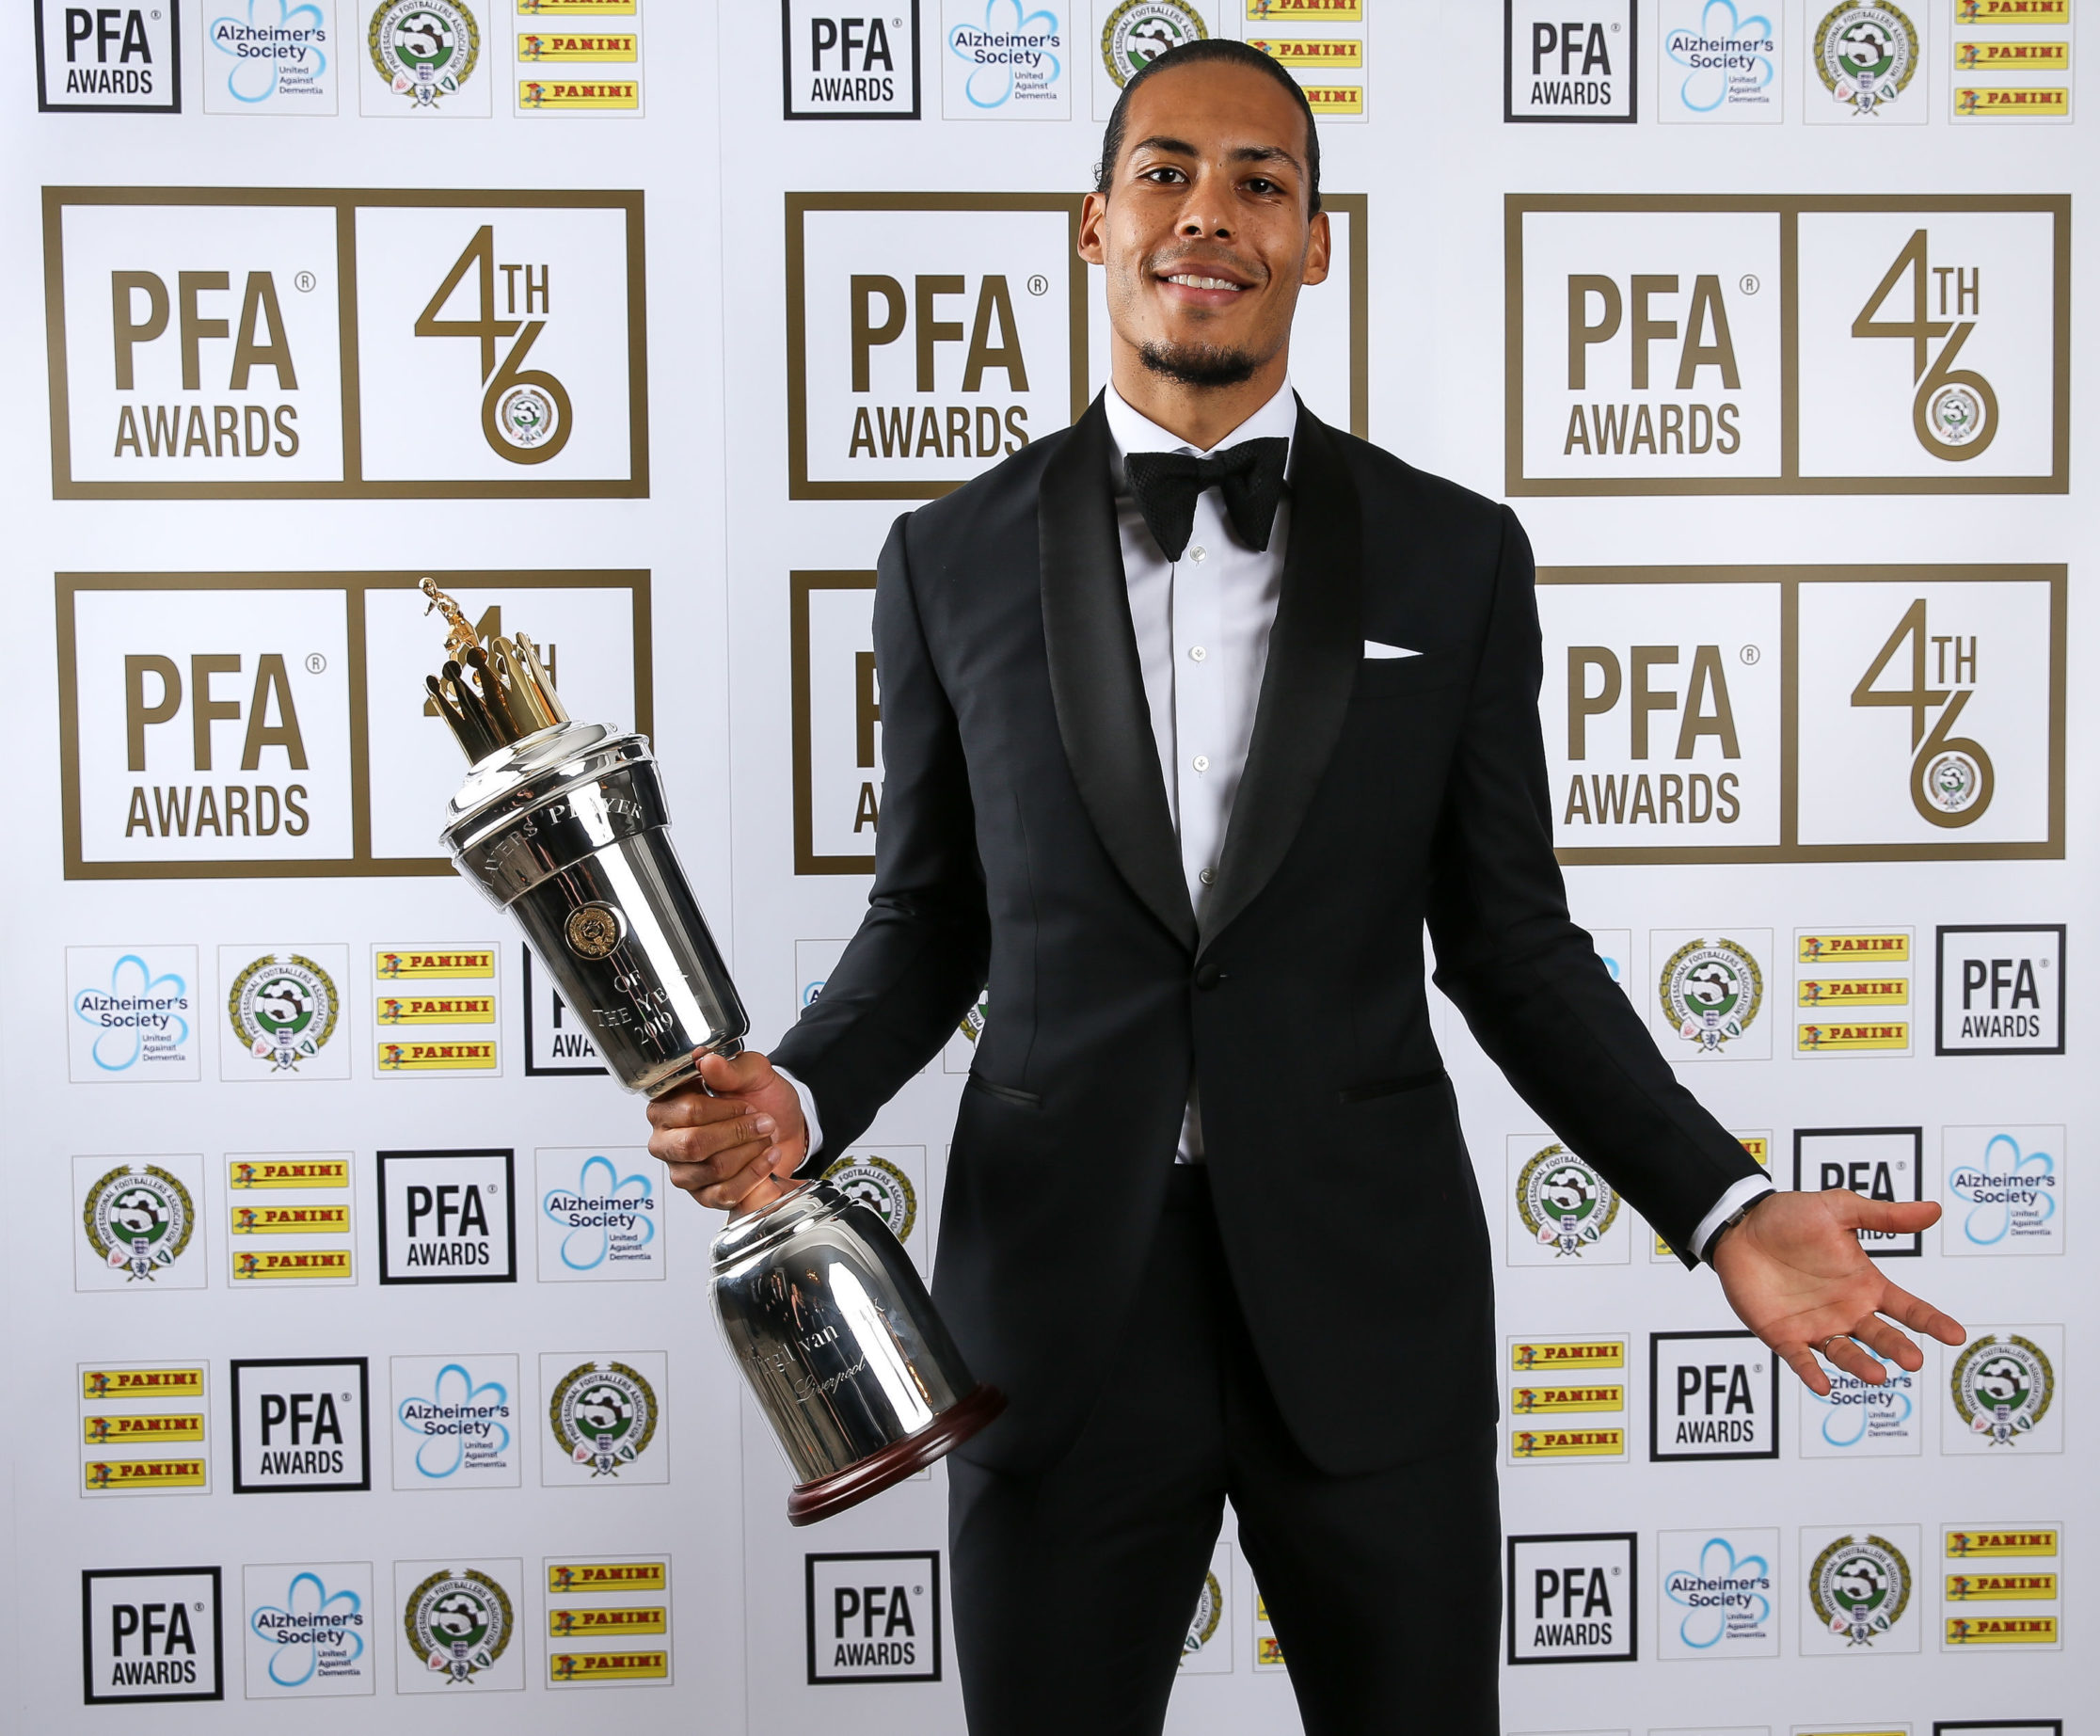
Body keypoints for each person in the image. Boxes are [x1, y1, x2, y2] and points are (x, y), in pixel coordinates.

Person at [649, 38, 1964, 1736]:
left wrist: (1718, 1203)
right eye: (1167, 172)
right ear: (1092, 225)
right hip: (1055, 1306)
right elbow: (930, 919)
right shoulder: (944, 555)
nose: (1211, 213)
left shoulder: (1456, 553)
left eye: (1262, 181)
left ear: (1317, 242)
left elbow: (1512, 944)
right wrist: (799, 1096)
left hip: (1371, 1299)